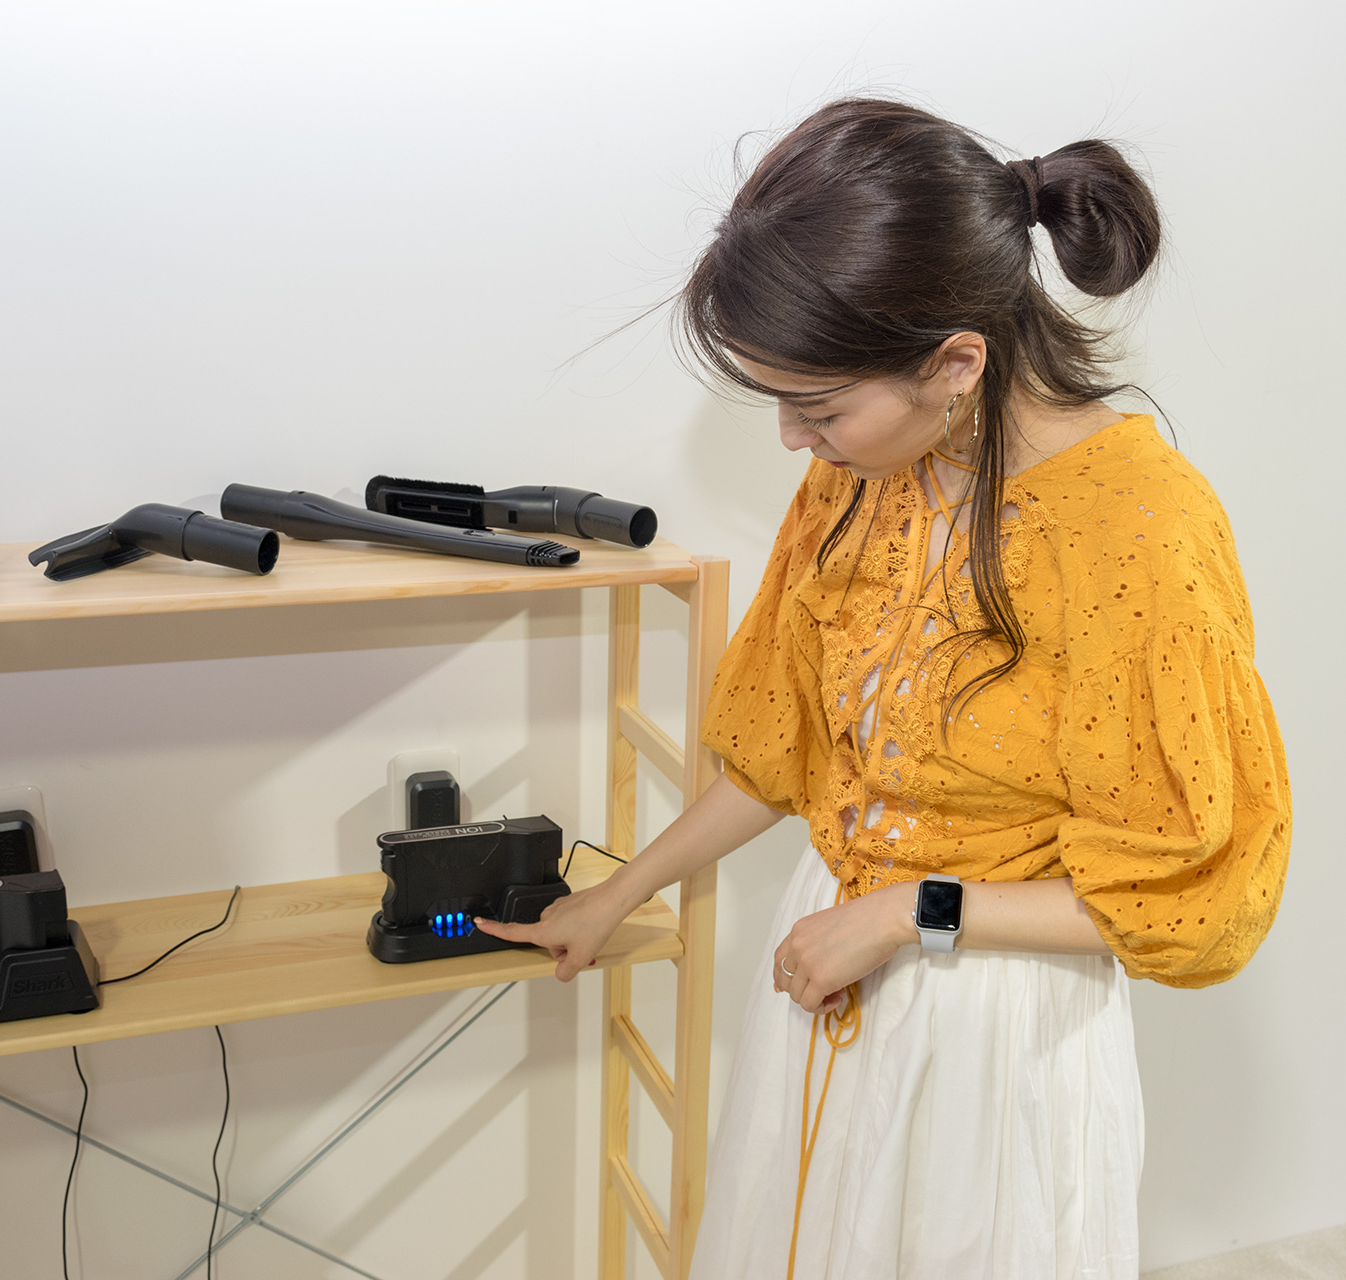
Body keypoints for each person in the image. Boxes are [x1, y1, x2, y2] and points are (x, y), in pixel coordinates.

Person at [475, 97, 1292, 1280]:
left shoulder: (1142, 530)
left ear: (956, 361)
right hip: (830, 960)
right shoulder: (860, 474)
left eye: (818, 406)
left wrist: (912, 911)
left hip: (995, 1026)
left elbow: (1183, 894)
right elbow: (792, 752)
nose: (790, 438)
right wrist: (618, 892)